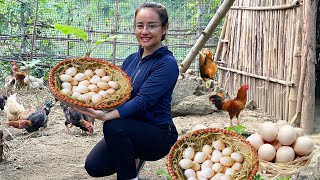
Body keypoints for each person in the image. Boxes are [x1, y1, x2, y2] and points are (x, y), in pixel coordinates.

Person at [74, 2, 179, 180]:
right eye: (140, 26)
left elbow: (142, 101)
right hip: (129, 127)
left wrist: (107, 116)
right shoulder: (131, 59)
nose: (144, 31)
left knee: (112, 125)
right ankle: (133, 153)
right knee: (94, 166)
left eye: (152, 26)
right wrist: (94, 102)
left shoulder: (166, 63)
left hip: (159, 132)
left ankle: (129, 177)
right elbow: (118, 95)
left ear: (164, 28)